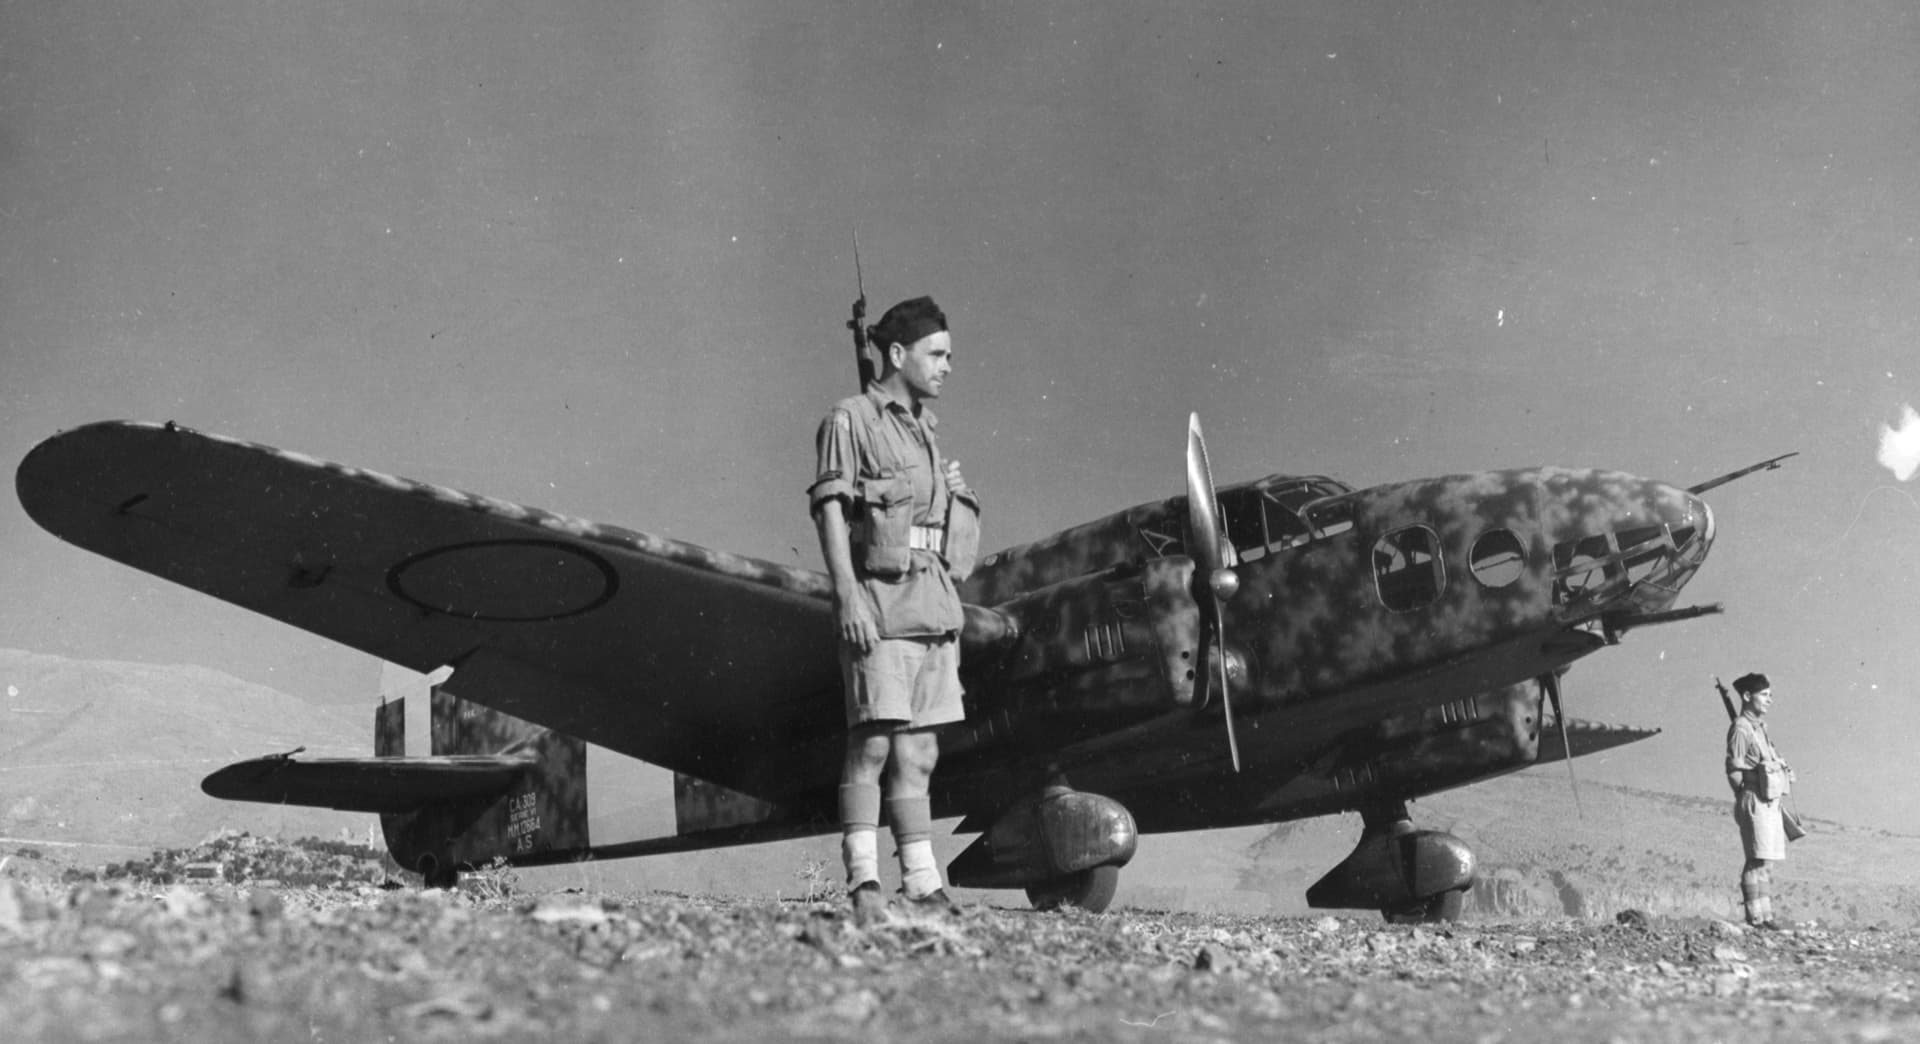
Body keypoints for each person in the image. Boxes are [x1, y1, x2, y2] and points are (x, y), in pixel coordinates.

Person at [808, 295, 979, 925]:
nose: (947, 366)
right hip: (878, 601)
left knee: (920, 752)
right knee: (874, 742)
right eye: (937, 354)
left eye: (950, 356)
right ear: (899, 353)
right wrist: (846, 594)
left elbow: (936, 529)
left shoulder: (926, 431)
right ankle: (864, 879)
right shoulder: (849, 419)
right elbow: (830, 509)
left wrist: (958, 497)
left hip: (933, 604)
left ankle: (923, 883)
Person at [1724, 672, 1795, 929]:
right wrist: (1745, 795)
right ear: (1747, 696)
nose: (1769, 700)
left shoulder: (1760, 728)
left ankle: (1766, 917)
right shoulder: (1741, 728)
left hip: (1770, 801)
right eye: (1764, 695)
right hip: (1755, 799)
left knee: (1766, 862)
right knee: (1755, 862)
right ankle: (1755, 918)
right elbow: (1733, 769)